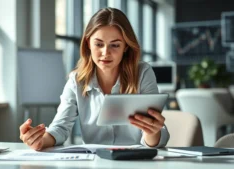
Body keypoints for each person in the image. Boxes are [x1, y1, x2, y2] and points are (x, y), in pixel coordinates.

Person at [19, 7, 170, 150]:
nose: (106, 53)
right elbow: (60, 127)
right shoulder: (76, 80)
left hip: (135, 161)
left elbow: (154, 133)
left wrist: (152, 132)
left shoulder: (142, 73)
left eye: (115, 45)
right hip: (95, 162)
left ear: (126, 47)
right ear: (88, 43)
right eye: (98, 44)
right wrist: (39, 141)